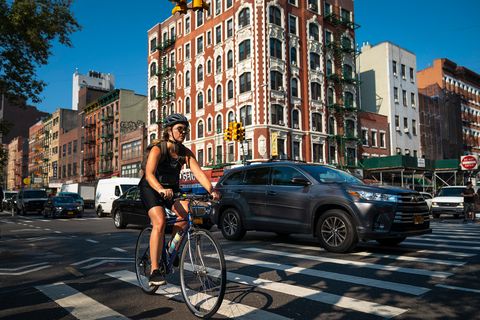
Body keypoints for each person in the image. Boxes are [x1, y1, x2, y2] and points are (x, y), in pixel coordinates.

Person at [138, 113, 220, 286]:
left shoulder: (184, 152)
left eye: (185, 130)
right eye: (180, 129)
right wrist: (160, 189)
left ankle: (170, 250)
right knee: (159, 222)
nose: (183, 132)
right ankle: (154, 270)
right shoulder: (158, 149)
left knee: (186, 213)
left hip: (172, 190)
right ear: (169, 131)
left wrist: (211, 190)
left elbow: (198, 173)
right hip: (151, 188)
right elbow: (149, 174)